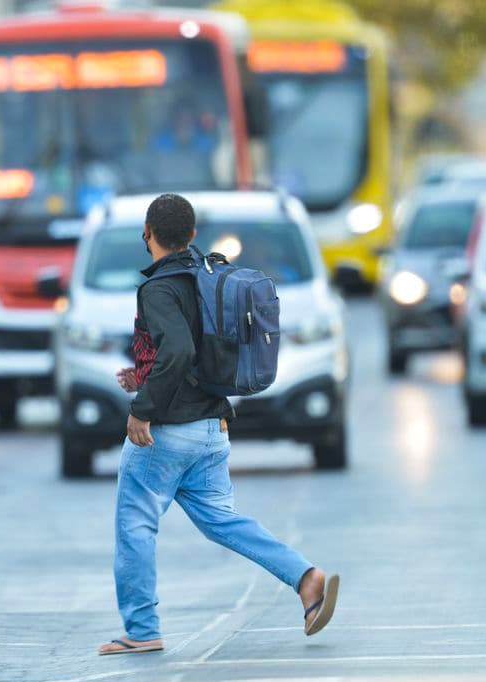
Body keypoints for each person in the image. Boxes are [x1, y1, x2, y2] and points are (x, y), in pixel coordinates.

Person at [98, 194, 339, 656]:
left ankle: (142, 629)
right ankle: (306, 578)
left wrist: (142, 408)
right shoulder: (209, 279)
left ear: (147, 234)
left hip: (168, 433)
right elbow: (196, 355)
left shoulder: (158, 289)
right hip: (211, 428)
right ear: (191, 235)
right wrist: (144, 377)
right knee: (223, 522)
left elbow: (180, 352)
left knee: (135, 525)